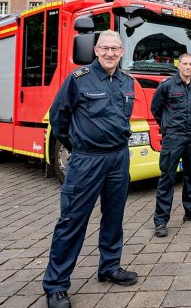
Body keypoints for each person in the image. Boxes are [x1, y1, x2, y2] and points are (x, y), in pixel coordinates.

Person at [43, 30, 138, 308]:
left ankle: (109, 267)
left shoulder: (127, 81)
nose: (110, 53)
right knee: (72, 221)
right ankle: (56, 285)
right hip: (87, 160)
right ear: (96, 50)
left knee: (114, 217)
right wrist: (79, 147)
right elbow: (58, 118)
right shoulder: (78, 79)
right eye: (105, 48)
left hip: (118, 159)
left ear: (122, 52)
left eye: (115, 49)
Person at [150, 52, 191, 238]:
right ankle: (160, 221)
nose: (188, 67)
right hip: (173, 138)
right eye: (185, 63)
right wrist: (167, 126)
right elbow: (156, 109)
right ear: (179, 65)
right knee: (167, 178)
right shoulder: (167, 86)